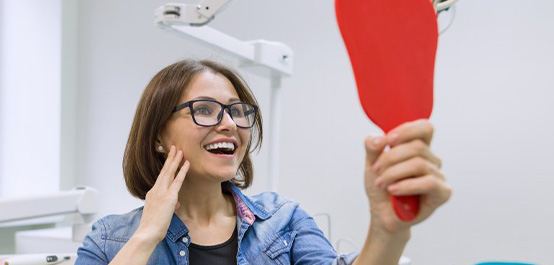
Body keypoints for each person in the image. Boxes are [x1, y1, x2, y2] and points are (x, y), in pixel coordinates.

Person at [75, 59, 451, 265]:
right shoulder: (110, 239)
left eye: (238, 111)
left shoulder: (283, 221)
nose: (229, 124)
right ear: (158, 135)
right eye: (204, 109)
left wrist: (388, 231)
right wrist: (147, 234)